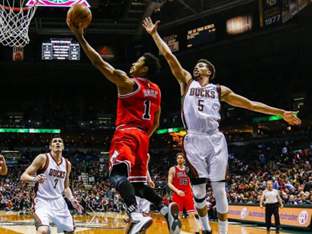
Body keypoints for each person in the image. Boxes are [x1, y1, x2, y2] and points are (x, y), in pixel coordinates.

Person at [142, 17, 301, 234]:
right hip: (193, 139)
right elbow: (170, 58)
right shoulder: (187, 81)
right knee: (198, 193)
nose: (196, 67)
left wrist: (281, 112)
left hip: (216, 139)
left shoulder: (220, 90)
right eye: (196, 65)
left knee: (219, 189)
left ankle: (223, 232)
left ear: (209, 71)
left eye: (201, 65)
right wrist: (154, 35)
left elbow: (250, 104)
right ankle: (207, 230)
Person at [67, 18, 181, 234]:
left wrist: (80, 36)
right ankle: (164, 208)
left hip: (126, 133)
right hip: (144, 138)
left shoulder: (128, 82)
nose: (133, 65)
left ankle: (135, 215)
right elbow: (156, 122)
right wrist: (142, 137)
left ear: (144, 69)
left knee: (116, 176)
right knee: (137, 186)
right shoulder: (157, 90)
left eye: (137, 62)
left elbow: (100, 63)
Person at [20, 137, 83, 234]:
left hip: (59, 202)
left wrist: (72, 199)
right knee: (43, 231)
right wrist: (34, 179)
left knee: (70, 231)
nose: (57, 143)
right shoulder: (43, 158)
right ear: (50, 146)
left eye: (60, 141)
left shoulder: (67, 164)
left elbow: (66, 187)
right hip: (42, 201)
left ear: (63, 146)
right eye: (55, 141)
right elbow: (23, 176)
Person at [168, 152, 200, 233]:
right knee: (178, 216)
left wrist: (192, 192)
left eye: (181, 158)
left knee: (192, 215)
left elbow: (189, 182)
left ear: (184, 159)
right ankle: (178, 231)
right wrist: (177, 191)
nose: (180, 159)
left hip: (188, 194)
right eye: (178, 158)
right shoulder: (173, 169)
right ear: (176, 159)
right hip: (177, 195)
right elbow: (169, 183)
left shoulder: (188, 169)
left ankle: (195, 232)